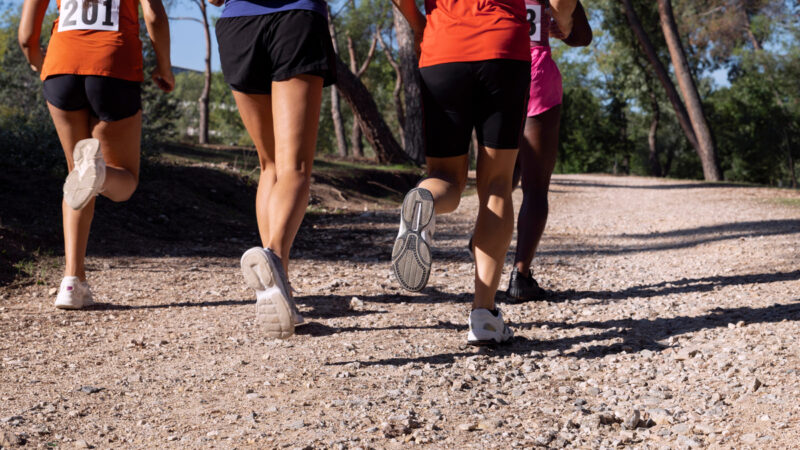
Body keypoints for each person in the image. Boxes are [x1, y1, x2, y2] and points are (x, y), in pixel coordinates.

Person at [391, 0, 578, 345]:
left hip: (442, 48)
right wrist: (563, 22)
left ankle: (424, 199)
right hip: (503, 49)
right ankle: (484, 316)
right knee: (496, 185)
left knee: (444, 175)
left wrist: (420, 26)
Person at [18, 0, 174, 309]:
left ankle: (71, 283)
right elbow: (154, 15)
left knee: (77, 176)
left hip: (62, 65)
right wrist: (164, 65)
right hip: (114, 65)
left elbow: (26, 35)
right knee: (124, 179)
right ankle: (99, 172)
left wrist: (37, 60)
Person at [209, 0, 336, 339]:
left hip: (239, 26)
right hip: (295, 19)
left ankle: (279, 288)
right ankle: (274, 258)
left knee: (270, 164)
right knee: (294, 166)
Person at [506, 1, 592, 301]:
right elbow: (583, 35)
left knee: (500, 175)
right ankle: (521, 276)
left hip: (492, 71)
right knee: (535, 186)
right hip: (535, 73)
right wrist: (560, 27)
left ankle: (484, 241)